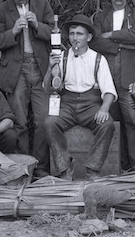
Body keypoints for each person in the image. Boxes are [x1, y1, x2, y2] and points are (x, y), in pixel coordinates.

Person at [0, 0, 55, 173]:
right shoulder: (0, 10)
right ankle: (22, 168)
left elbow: (55, 34)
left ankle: (41, 168)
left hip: (41, 68)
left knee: (44, 120)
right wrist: (14, 31)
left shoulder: (42, 5)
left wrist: (37, 25)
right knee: (19, 121)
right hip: (15, 71)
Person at [44, 14, 117, 180]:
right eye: (72, 33)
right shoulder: (61, 57)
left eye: (79, 34)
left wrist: (104, 109)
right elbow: (48, 89)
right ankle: (64, 168)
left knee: (107, 124)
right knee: (50, 123)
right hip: (67, 105)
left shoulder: (98, 59)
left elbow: (109, 91)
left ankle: (92, 169)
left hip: (90, 105)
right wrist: (50, 67)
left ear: (88, 37)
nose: (75, 38)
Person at [90, 0, 135, 170]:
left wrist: (112, 35)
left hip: (131, 78)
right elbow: (95, 41)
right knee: (111, 123)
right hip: (108, 80)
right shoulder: (101, 16)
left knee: (133, 121)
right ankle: (117, 168)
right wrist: (121, 44)